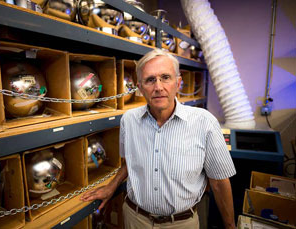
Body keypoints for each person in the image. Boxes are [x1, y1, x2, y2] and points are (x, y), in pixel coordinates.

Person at [81, 49, 236, 228]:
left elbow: (219, 182)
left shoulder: (204, 122)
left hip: (181, 223)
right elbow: (129, 163)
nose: (158, 87)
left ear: (178, 83)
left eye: (165, 77)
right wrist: (111, 186)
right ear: (140, 88)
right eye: (150, 80)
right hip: (135, 219)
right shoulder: (129, 120)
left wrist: (230, 225)